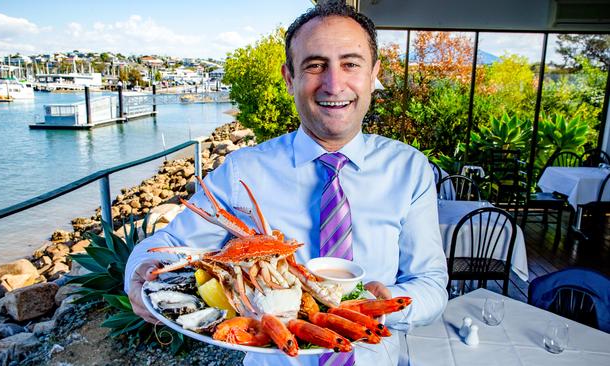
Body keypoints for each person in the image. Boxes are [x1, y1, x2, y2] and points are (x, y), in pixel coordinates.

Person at [125, 2, 447, 365]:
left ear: (373, 75)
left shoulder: (410, 169)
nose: (334, 83)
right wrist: (137, 273)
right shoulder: (243, 170)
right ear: (289, 77)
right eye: (314, 65)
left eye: (350, 64)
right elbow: (170, 244)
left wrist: (382, 305)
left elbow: (431, 283)